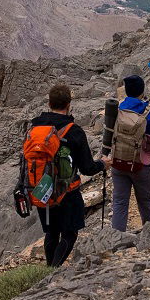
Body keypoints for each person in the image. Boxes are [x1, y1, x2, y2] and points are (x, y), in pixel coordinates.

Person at [32, 83, 106, 268]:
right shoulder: (74, 131)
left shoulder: (35, 126)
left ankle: (48, 270)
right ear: (68, 105)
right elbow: (88, 168)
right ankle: (52, 272)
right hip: (67, 193)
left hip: (42, 188)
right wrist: (104, 164)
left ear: (49, 103)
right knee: (69, 233)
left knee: (51, 232)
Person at [103, 74, 150, 231]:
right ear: (142, 91)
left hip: (118, 163)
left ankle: (118, 241)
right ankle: (148, 234)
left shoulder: (117, 110)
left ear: (127, 91)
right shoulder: (148, 114)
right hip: (140, 166)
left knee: (119, 203)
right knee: (145, 202)